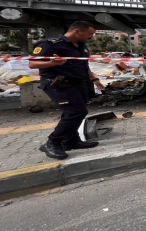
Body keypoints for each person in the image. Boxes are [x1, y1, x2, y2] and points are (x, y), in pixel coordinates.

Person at [28, 21, 105, 160]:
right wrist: (52, 63)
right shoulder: (51, 44)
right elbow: (32, 63)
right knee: (76, 112)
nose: (91, 37)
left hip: (79, 84)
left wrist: (95, 80)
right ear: (77, 31)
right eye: (90, 34)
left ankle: (70, 141)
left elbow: (84, 66)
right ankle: (52, 142)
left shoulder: (81, 46)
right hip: (60, 84)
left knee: (74, 112)